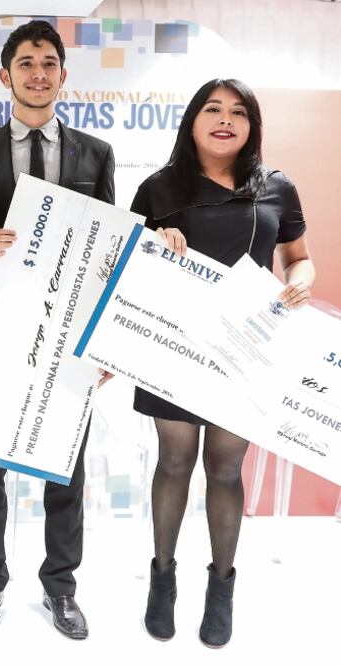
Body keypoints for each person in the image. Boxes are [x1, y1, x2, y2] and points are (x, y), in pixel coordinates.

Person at [130, 78, 314, 648]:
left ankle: (222, 587)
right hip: (175, 347)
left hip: (244, 349)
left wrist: (299, 285)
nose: (225, 119)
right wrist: (154, 241)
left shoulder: (276, 188)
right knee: (175, 461)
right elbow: (127, 263)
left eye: (239, 112)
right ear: (192, 121)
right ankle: (162, 579)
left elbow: (299, 259)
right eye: (213, 109)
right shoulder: (159, 187)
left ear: (253, 125)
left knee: (227, 470)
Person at [0, 19, 114, 640]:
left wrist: (102, 341)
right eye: (27, 63)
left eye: (49, 62)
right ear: (6, 75)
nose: (38, 73)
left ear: (63, 76)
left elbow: (107, 251)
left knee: (65, 469)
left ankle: (61, 589)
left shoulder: (96, 154)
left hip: (68, 334)